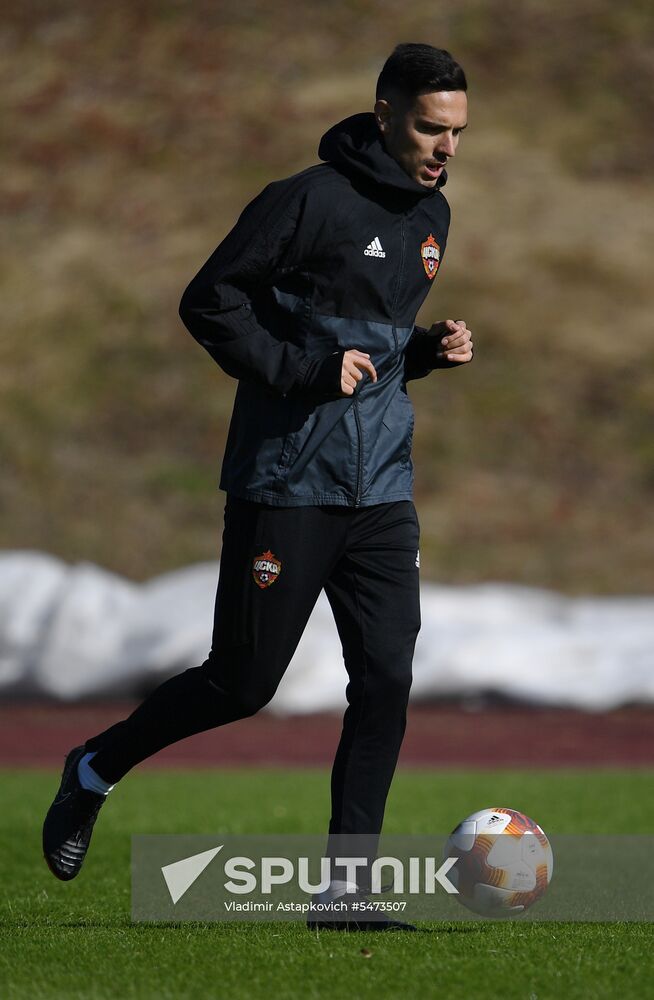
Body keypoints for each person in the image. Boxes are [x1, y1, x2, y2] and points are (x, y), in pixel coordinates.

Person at [42, 42, 473, 931]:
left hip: (382, 491)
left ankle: (344, 894)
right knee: (243, 684)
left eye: (459, 132)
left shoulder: (434, 217)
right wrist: (299, 367)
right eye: (432, 128)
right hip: (289, 483)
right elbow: (209, 300)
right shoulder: (305, 201)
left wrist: (425, 353)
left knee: (387, 677)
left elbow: (372, 356)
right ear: (386, 112)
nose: (446, 148)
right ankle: (93, 768)